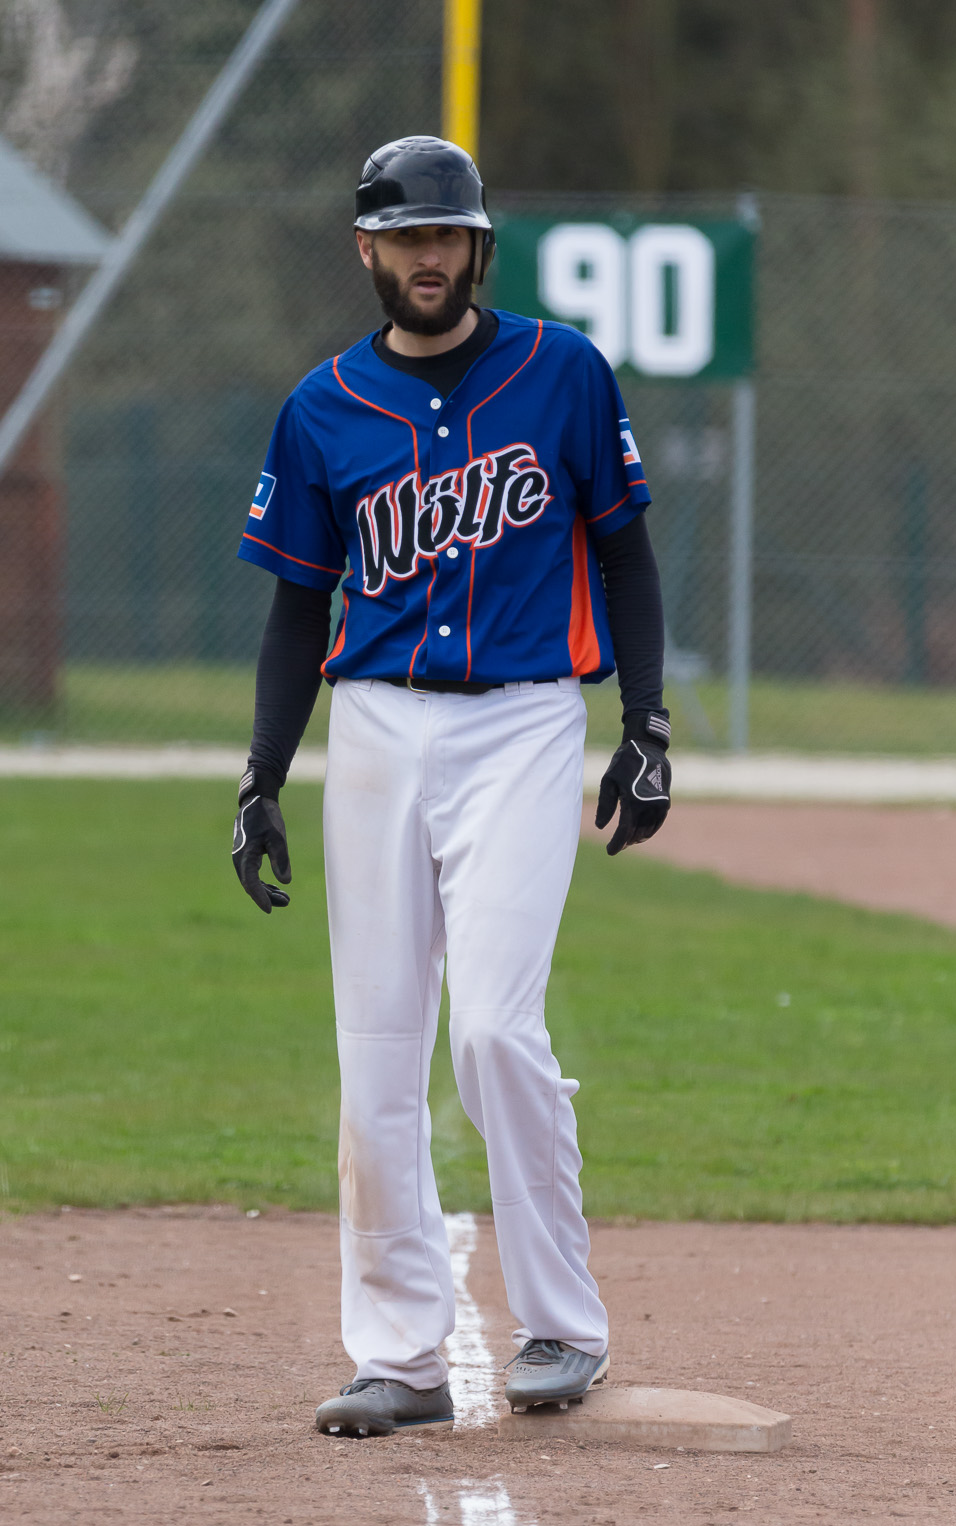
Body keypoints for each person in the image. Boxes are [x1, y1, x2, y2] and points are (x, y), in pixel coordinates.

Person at [231, 136, 671, 1438]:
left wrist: (645, 725)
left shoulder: (563, 374)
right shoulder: (323, 409)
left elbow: (627, 558)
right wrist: (260, 776)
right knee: (375, 1055)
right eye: (402, 236)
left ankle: (559, 1323)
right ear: (366, 250)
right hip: (372, 729)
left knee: (488, 1028)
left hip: (525, 719)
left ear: (476, 248)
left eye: (447, 236)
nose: (427, 257)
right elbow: (293, 611)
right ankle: (402, 1357)